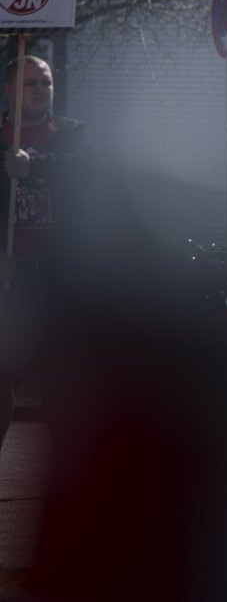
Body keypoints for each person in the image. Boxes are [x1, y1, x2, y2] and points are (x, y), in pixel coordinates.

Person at [0, 55, 93, 457]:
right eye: (30, 83)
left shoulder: (70, 132)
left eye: (46, 82)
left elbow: (88, 166)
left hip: (59, 275)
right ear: (8, 90)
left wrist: (33, 166)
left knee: (64, 379)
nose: (41, 89)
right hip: (10, 276)